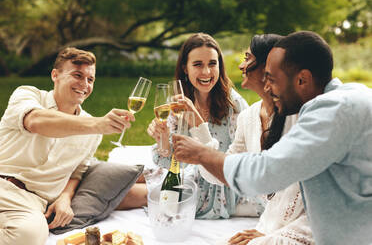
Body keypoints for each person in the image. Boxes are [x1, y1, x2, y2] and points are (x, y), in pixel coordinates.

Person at [172, 31, 372, 245]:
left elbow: (267, 173)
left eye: (272, 79)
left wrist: (201, 153)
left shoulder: (331, 111)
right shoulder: (344, 98)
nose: (268, 87)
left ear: (302, 79)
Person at [0, 47, 139, 245]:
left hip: (29, 204)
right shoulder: (27, 95)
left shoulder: (92, 130)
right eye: (77, 75)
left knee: (30, 236)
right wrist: (99, 124)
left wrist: (65, 197)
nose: (84, 84)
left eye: (90, 80)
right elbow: (36, 122)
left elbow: (77, 172)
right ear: (55, 75)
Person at [147, 32, 258, 219]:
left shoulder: (235, 105)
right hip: (190, 179)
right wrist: (163, 139)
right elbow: (173, 161)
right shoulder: (178, 104)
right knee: (140, 182)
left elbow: (237, 162)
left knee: (140, 194)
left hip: (224, 187)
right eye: (198, 64)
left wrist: (196, 121)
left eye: (212, 64)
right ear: (185, 68)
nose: (206, 72)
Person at [225, 34, 313, 245]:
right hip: (269, 226)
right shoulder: (248, 118)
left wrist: (274, 236)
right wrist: (197, 135)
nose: (240, 65)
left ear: (269, 67)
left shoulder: (302, 117)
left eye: (247, 58)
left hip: (305, 230)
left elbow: (316, 197)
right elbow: (225, 172)